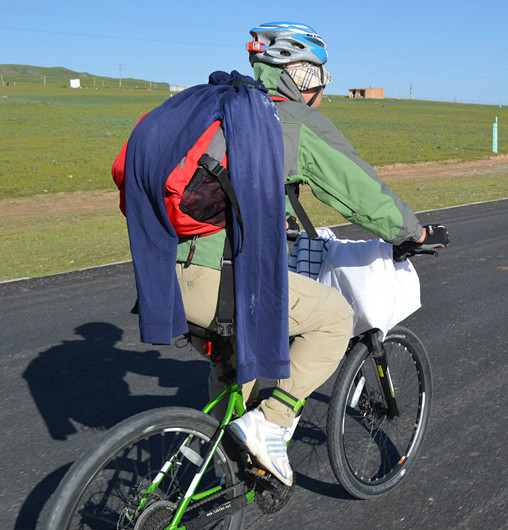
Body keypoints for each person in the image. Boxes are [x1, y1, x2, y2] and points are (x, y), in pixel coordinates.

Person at [114, 22, 448, 488]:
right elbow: (358, 189)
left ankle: (217, 463)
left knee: (235, 361)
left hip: (160, 276)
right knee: (333, 317)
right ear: (303, 76)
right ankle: (270, 424)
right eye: (321, 78)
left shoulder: (223, 110)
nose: (323, 91)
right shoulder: (285, 119)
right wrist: (412, 231)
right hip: (214, 279)